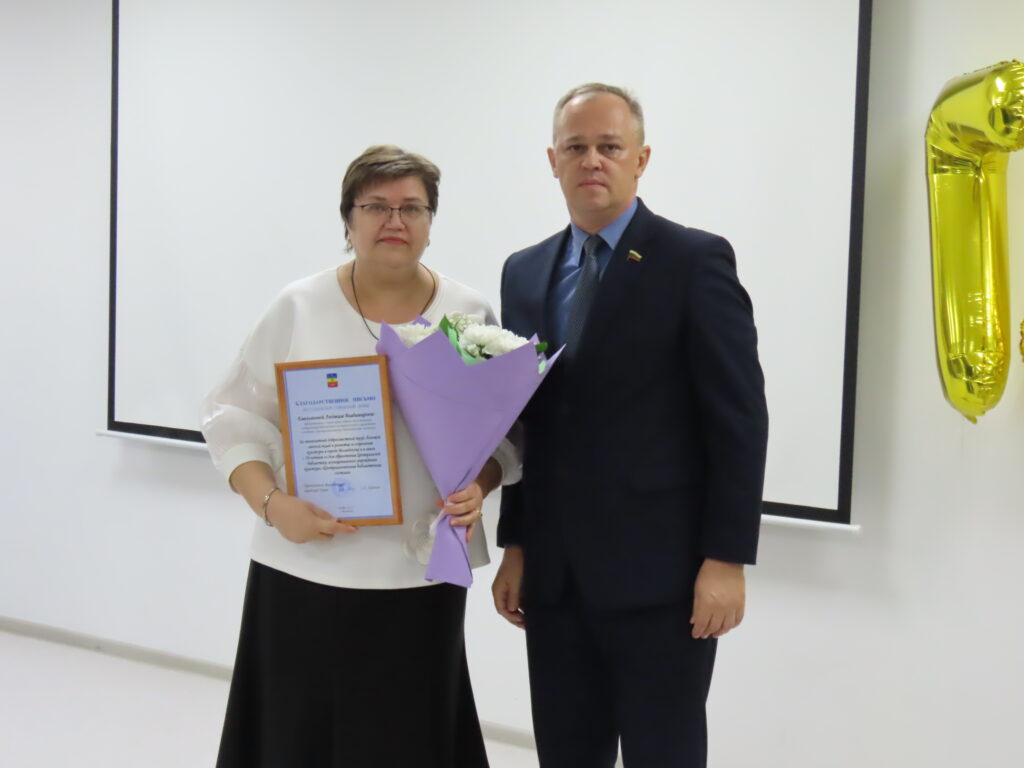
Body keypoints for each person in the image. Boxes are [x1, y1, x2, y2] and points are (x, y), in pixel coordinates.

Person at [201, 145, 517, 768]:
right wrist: (272, 505)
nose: (394, 220)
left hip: (419, 569)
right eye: (375, 206)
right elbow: (234, 416)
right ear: (348, 221)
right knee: (296, 735)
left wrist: (481, 485)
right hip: (305, 564)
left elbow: (503, 434)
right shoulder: (298, 305)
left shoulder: (468, 314)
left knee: (407, 734)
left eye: (411, 207)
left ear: (431, 222)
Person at [491, 84, 769, 768]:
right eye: (576, 147)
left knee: (663, 754)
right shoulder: (523, 272)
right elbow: (526, 424)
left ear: (640, 159)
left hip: (662, 580)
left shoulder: (693, 260)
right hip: (555, 580)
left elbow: (738, 419)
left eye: (609, 146)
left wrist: (726, 558)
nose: (592, 160)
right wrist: (516, 545)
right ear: (552, 160)